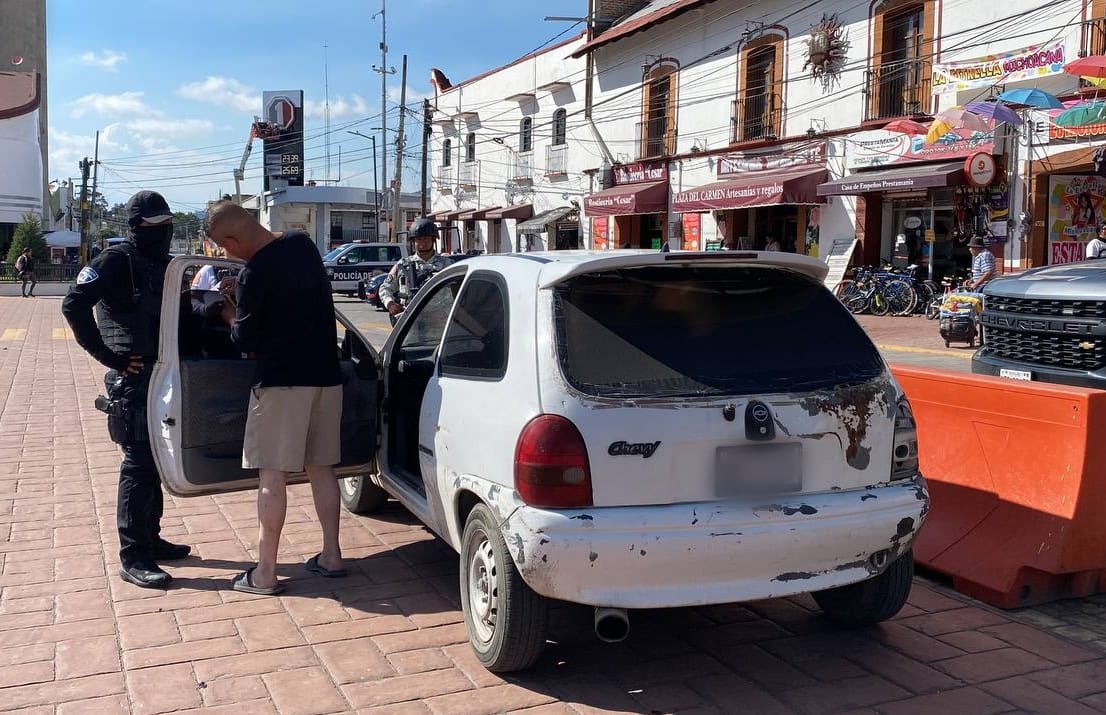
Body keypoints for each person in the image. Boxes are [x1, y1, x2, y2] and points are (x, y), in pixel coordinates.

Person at [203, 201, 345, 595]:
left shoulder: (254, 273)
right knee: (322, 467)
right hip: (326, 376)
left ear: (231, 239)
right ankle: (331, 555)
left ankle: (265, 573)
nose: (227, 254)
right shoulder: (303, 245)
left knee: (272, 476)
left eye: (224, 247)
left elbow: (245, 339)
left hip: (281, 382)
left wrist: (226, 312)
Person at [61, 191, 191, 589]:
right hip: (133, 382)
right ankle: (133, 555)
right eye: (156, 226)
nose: (164, 232)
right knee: (137, 463)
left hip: (165, 377)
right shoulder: (116, 262)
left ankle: (150, 538)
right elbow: (73, 305)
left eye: (168, 225)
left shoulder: (166, 266)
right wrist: (109, 357)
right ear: (136, 227)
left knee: (156, 461)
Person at [379, 217, 454, 318]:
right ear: (413, 242)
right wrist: (390, 304)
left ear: (433, 240)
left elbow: (459, 293)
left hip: (439, 322)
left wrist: (448, 312)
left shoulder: (447, 265)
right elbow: (385, 288)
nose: (422, 243)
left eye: (426, 239)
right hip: (409, 322)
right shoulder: (403, 265)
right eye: (419, 239)